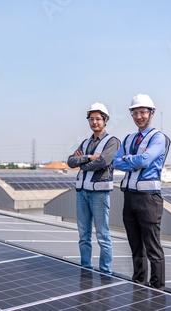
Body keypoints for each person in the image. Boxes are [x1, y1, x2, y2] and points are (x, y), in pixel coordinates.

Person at [113, 94, 171, 290]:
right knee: (135, 245)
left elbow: (145, 161)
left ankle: (157, 289)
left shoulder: (158, 137)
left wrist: (129, 160)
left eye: (143, 112)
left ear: (151, 113)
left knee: (152, 246)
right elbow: (116, 161)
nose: (139, 116)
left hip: (149, 200)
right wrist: (134, 160)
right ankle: (139, 282)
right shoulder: (129, 138)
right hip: (129, 197)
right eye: (135, 112)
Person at [67, 103, 120, 275]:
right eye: (91, 119)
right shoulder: (85, 142)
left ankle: (105, 272)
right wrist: (89, 157)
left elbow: (103, 161)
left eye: (98, 119)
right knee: (83, 235)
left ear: (105, 120)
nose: (94, 122)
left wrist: (82, 162)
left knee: (103, 236)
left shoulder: (112, 141)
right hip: (81, 193)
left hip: (99, 194)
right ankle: (86, 268)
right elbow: (70, 161)